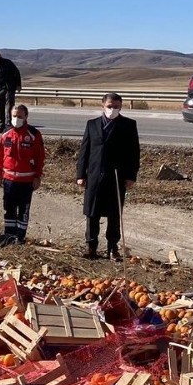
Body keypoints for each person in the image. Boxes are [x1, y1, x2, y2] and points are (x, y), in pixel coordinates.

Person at [75, 93, 140, 261]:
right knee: (92, 213)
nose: (113, 109)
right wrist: (80, 175)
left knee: (114, 214)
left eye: (116, 106)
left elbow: (134, 153)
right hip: (95, 176)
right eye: (110, 106)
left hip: (116, 176)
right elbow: (84, 151)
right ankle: (91, 247)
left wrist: (131, 175)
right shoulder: (92, 125)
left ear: (121, 106)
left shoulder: (128, 125)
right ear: (102, 106)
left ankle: (113, 248)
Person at [0, 104, 45, 245]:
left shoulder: (34, 134)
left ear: (26, 117)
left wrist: (37, 176)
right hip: (9, 179)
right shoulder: (6, 135)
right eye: (14, 116)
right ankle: (9, 235)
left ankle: (20, 237)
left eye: (20, 116)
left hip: (26, 180)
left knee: (23, 210)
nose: (17, 119)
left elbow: (40, 157)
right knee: (8, 208)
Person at [0, 50, 22, 133]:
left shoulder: (8, 63)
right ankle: (1, 126)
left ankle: (9, 126)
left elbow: (16, 72)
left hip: (9, 88)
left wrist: (18, 84)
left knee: (9, 107)